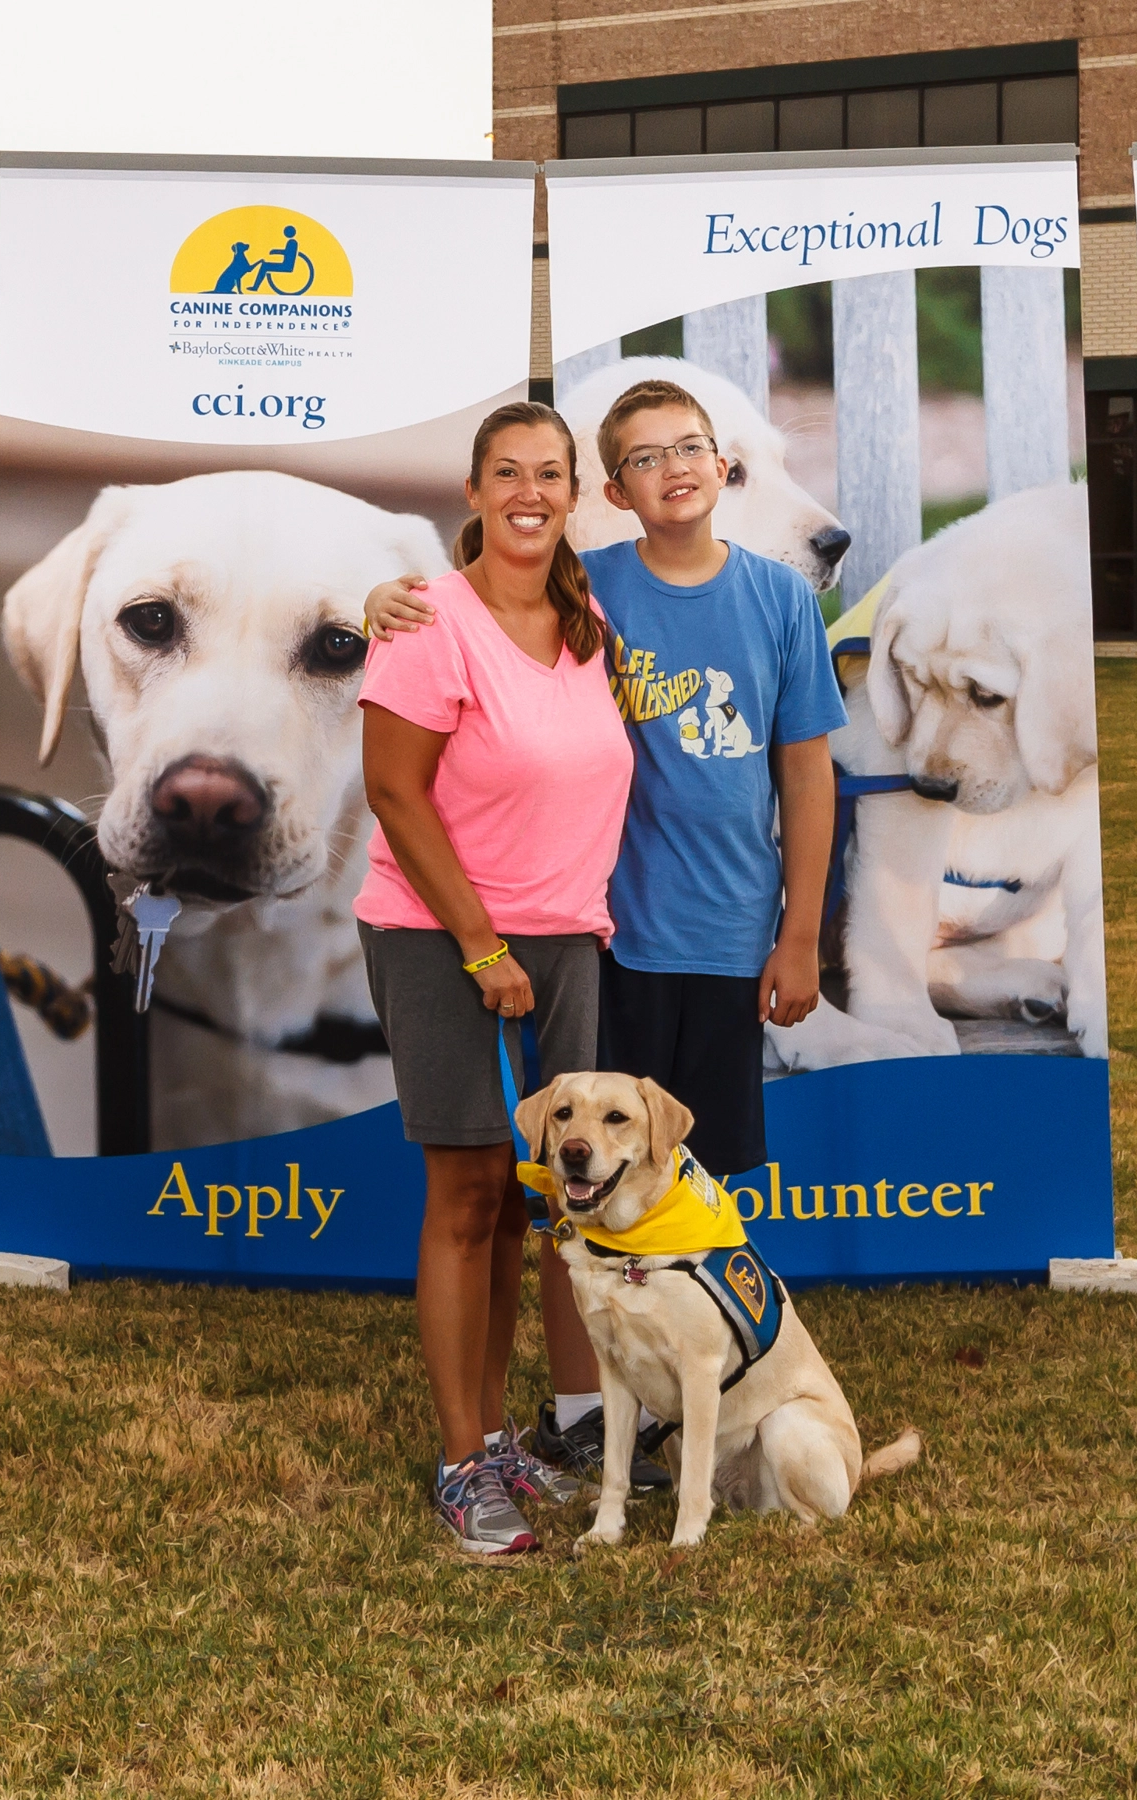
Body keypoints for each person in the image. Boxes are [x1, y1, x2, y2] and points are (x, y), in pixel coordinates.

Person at [364, 376, 847, 1481]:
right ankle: (530, 1428)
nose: (675, 469)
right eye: (644, 455)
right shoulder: (580, 594)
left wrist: (801, 932)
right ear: (614, 493)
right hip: (588, 938)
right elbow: (440, 661)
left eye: (695, 448)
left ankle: (656, 1403)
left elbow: (806, 769)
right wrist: (380, 602)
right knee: (532, 1186)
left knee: (657, 1188)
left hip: (670, 938)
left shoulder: (714, 603)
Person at [355, 399, 645, 1556]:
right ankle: (459, 1460)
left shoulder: (586, 614)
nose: (530, 492)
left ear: (574, 494)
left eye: (551, 475)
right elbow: (393, 793)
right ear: (473, 492)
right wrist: (482, 948)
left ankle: (495, 1436)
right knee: (469, 1189)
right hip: (442, 935)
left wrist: (540, 942)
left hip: (566, 934)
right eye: (508, 473)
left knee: (533, 1200)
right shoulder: (430, 616)